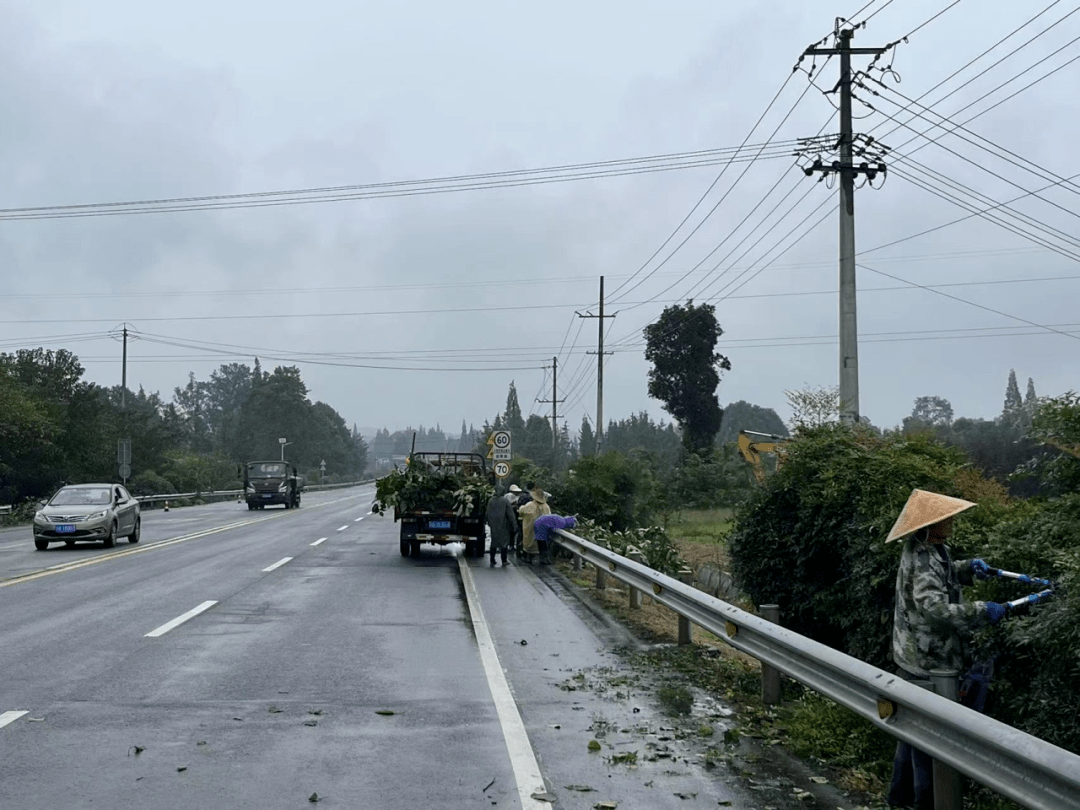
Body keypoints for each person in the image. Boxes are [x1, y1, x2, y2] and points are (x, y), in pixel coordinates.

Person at [884, 489, 1011, 810]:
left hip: (915, 656)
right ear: (932, 524)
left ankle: (899, 799)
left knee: (911, 733)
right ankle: (926, 802)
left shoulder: (933, 549)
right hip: (926, 661)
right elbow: (935, 610)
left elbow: (943, 573)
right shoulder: (923, 558)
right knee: (927, 742)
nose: (952, 522)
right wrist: (983, 611)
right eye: (947, 518)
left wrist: (967, 569)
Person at [485, 489, 518, 567]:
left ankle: (492, 560)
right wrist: (514, 524)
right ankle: (504, 560)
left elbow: (487, 512)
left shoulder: (491, 501)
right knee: (504, 542)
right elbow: (511, 514)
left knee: (494, 541)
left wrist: (489, 522)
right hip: (504, 524)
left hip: (493, 524)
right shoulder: (505, 501)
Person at [517, 486, 551, 564]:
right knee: (541, 542)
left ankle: (528, 557)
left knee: (530, 542)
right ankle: (542, 558)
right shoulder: (546, 506)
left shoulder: (530, 505)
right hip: (542, 529)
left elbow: (521, 510)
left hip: (530, 528)